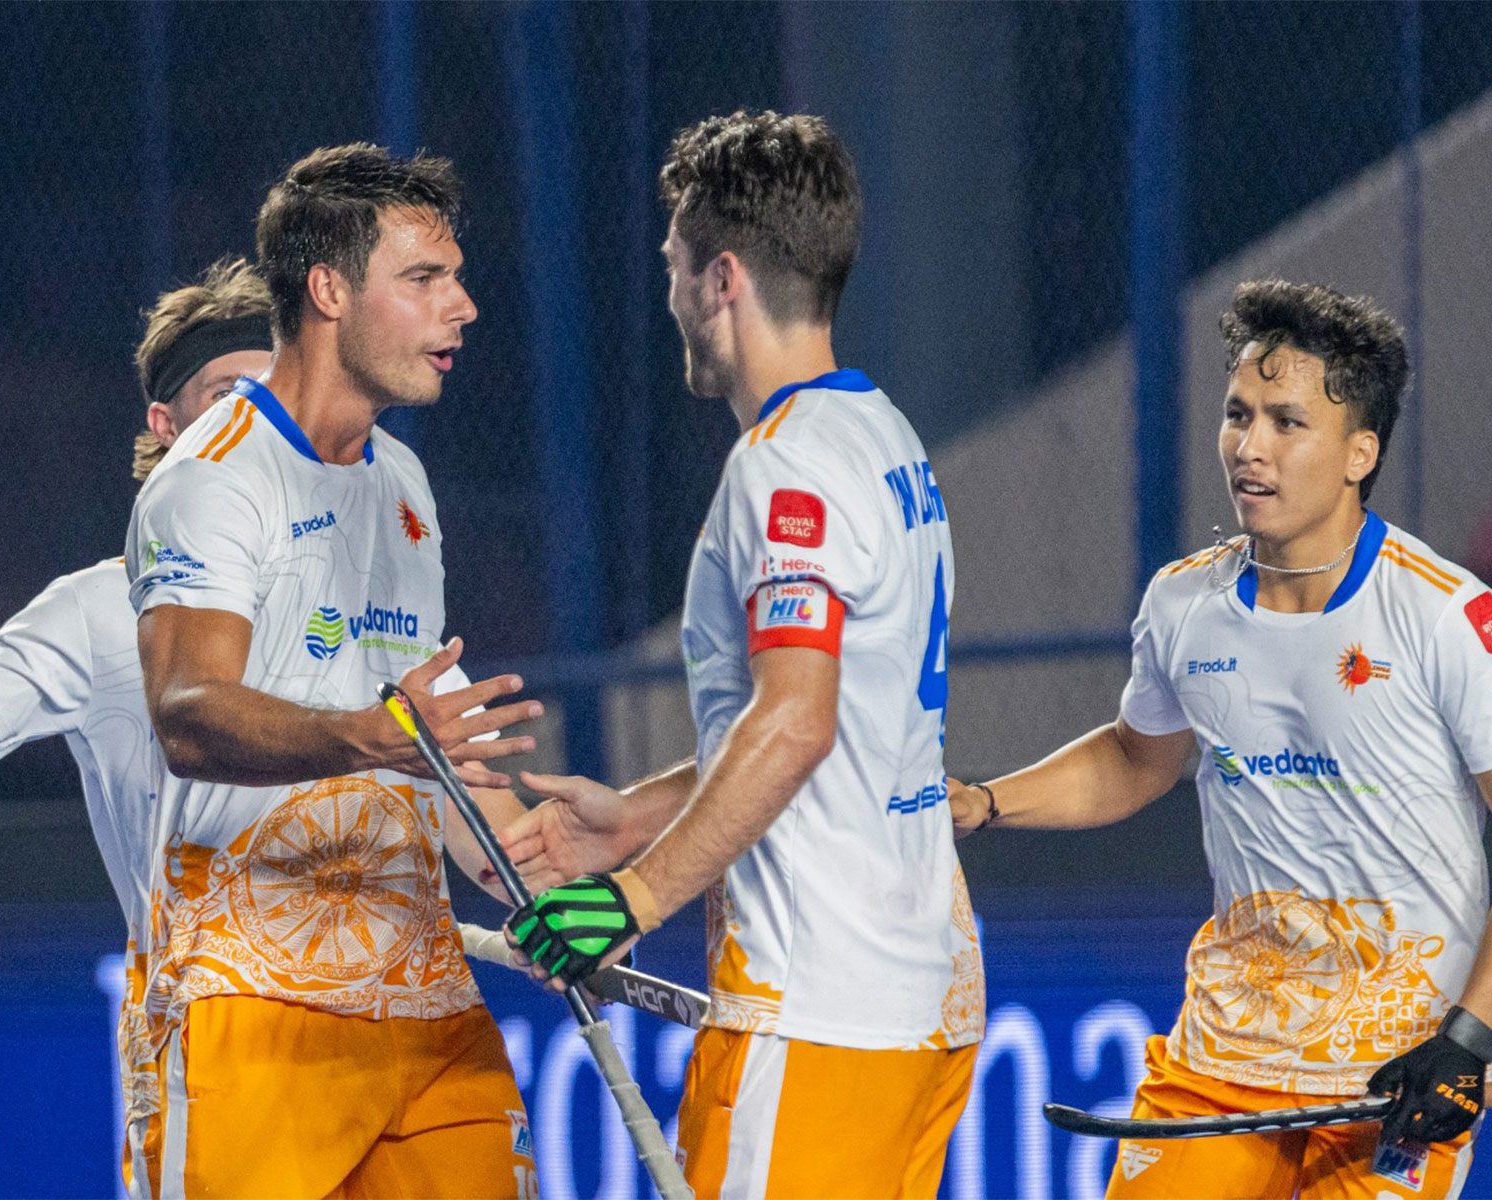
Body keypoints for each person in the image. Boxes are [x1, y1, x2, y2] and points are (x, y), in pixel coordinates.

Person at [499, 110, 983, 1198]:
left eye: (672, 264)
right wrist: (632, 815)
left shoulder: (782, 468)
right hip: (924, 1001)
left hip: (817, 1010)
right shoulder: (885, 435)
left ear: (721, 277)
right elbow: (848, 726)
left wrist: (632, 895)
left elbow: (794, 723)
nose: (667, 291)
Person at [949, 280, 1492, 1199]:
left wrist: (1471, 1039)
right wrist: (990, 801)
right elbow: (1135, 757)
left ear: (1360, 452)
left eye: (1288, 422)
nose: (1250, 446)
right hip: (1220, 1064)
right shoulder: (1182, 605)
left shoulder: (1444, 617)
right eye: (1238, 415)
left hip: (1398, 1076)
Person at [125, 143, 544, 1199]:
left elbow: (422, 739)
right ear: (327, 291)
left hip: (421, 998)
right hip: (254, 1007)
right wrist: (369, 734)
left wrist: (528, 865)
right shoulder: (211, 480)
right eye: (424, 280)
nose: (464, 307)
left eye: (454, 276)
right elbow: (187, 711)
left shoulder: (403, 478)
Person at [0, 256, 274, 1190]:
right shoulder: (100, 610)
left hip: (386, 1042)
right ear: (166, 425)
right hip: (206, 1054)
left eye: (278, 396)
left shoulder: (370, 580)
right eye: (229, 393)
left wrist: (590, 889)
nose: (257, 422)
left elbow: (478, 808)